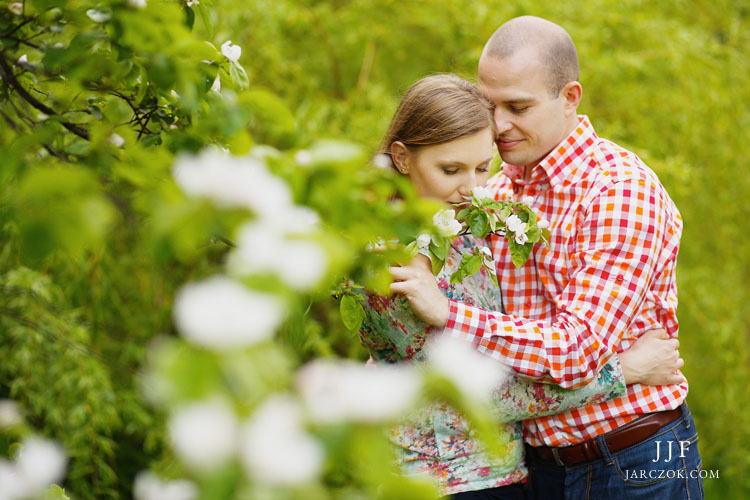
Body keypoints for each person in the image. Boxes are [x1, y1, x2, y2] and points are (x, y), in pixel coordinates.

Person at [389, 17, 702, 499]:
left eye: (519, 107)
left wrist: (451, 315)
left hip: (632, 461)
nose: (498, 125)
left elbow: (577, 349)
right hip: (535, 467)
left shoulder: (619, 193)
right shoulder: (490, 188)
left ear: (570, 98)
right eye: (489, 105)